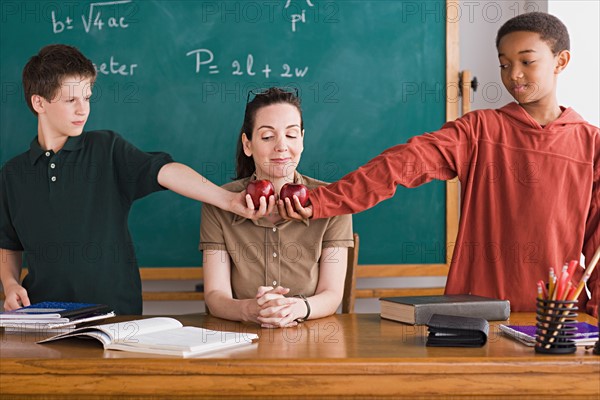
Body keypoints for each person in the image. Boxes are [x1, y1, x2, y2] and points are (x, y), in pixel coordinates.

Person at [278, 12, 600, 317]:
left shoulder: (591, 145)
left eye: (527, 61)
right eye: (503, 64)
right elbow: (403, 163)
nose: (513, 74)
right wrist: (322, 200)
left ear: (561, 61)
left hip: (558, 324)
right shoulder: (480, 130)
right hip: (478, 321)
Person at [0, 44, 266, 315]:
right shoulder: (12, 174)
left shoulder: (106, 149)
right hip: (43, 316)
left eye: (87, 98)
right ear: (38, 103)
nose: (83, 110)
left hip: (114, 316)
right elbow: (8, 245)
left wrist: (229, 200)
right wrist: (10, 285)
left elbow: (166, 171)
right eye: (71, 101)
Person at [200, 87, 354, 328]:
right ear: (247, 144)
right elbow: (215, 296)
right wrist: (249, 310)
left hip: (310, 336)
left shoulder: (333, 200)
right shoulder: (220, 202)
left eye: (291, 135)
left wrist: (295, 309)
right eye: (267, 136)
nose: (282, 147)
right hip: (241, 336)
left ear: (302, 140)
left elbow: (332, 294)